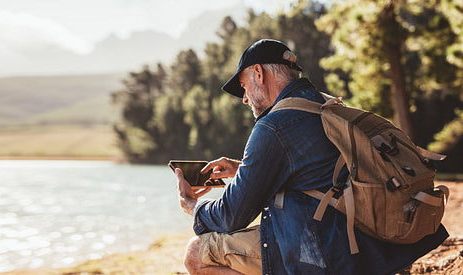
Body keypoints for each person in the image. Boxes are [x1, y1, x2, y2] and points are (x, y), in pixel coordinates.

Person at [173, 39, 448, 275]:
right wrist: (242, 168)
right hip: (367, 245)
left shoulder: (273, 126)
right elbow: (314, 171)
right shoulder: (323, 106)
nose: (244, 98)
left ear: (259, 74)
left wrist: (192, 205)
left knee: (197, 253)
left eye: (243, 86)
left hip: (323, 255)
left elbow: (232, 215)